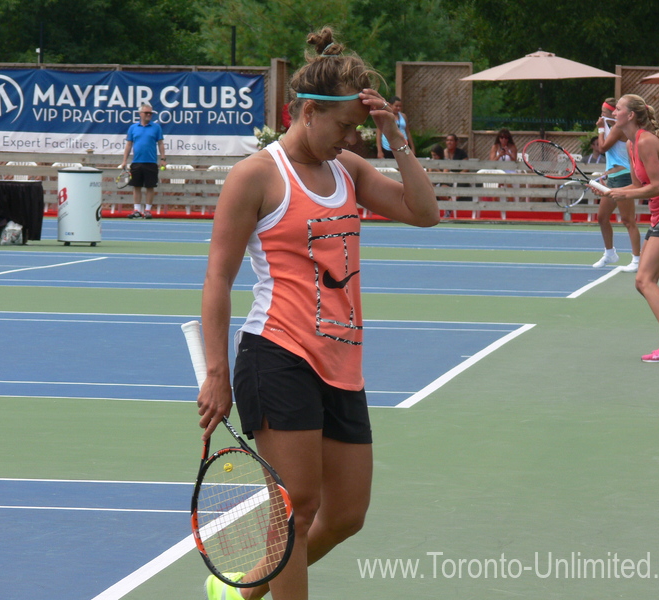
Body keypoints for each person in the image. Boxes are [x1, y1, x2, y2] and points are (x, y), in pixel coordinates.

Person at [197, 27, 438, 600]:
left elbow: (424, 212)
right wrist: (216, 372)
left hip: (342, 360)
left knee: (347, 514)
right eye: (344, 124)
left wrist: (394, 136)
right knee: (298, 506)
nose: (349, 136)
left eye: (358, 126)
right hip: (277, 353)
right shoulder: (257, 175)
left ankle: (241, 589)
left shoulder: (348, 169)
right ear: (307, 111)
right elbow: (217, 278)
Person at [595, 94, 659, 363]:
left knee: (643, 280)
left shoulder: (647, 141)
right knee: (646, 283)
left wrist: (624, 196)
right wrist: (612, 190)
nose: (613, 112)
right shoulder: (630, 145)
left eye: (618, 109)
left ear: (631, 116)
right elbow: (639, 186)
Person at [592, 98, 641, 271]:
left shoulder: (618, 128)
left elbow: (602, 147)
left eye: (605, 112)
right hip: (613, 176)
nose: (603, 115)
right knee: (602, 217)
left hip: (624, 177)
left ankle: (636, 260)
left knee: (628, 220)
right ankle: (610, 253)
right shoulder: (613, 127)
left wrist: (599, 129)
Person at [120, 103, 166, 219]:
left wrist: (163, 159)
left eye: (150, 113)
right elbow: (129, 144)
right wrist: (124, 161)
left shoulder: (156, 127)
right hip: (137, 162)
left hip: (151, 162)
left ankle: (147, 210)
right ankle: (136, 210)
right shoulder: (133, 128)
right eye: (146, 113)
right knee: (136, 186)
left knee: (150, 186)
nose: (149, 115)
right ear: (140, 114)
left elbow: (160, 143)